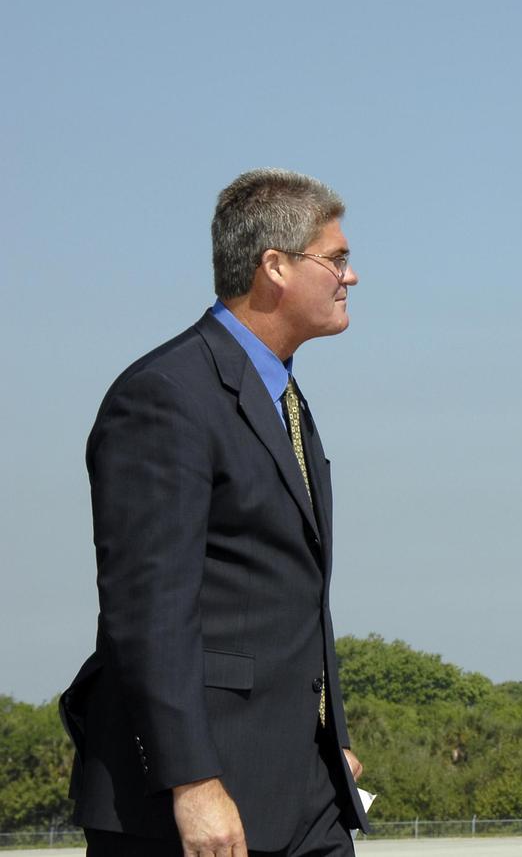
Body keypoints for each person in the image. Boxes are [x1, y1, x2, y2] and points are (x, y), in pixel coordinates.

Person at [59, 168, 371, 857]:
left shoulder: (284, 398)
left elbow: (286, 597)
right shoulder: (166, 396)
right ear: (275, 267)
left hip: (304, 795)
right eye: (337, 258)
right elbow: (149, 613)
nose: (351, 277)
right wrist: (192, 781)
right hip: (194, 808)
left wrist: (327, 740)